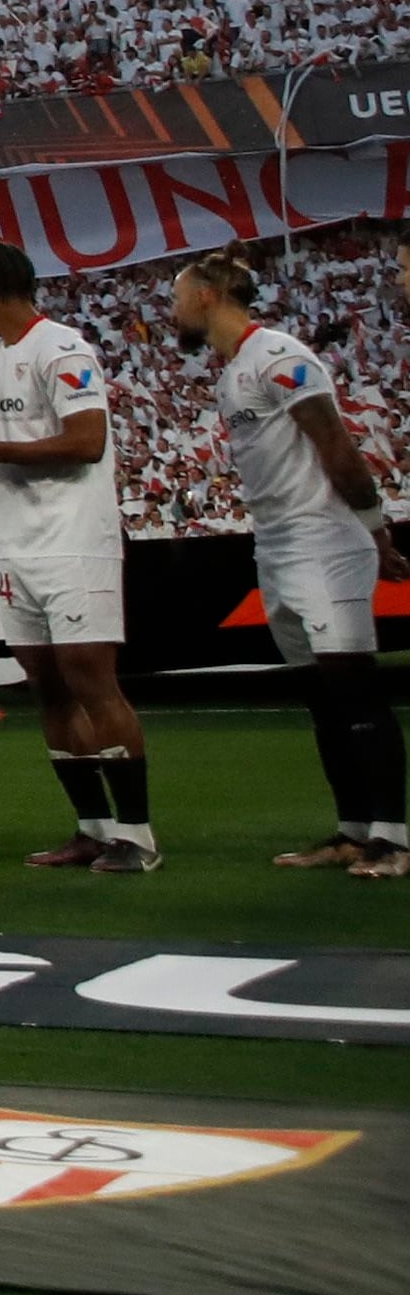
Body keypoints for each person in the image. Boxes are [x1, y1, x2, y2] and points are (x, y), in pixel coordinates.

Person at [170, 251, 406, 874]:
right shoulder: (232, 372)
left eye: (177, 295)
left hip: (325, 543)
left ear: (206, 296)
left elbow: (335, 443)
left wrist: (377, 532)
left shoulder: (279, 356)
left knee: (355, 692)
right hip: (274, 545)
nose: (171, 309)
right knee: (321, 700)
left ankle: (395, 838)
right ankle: (353, 830)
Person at [0, 241, 152, 871]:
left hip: (74, 539)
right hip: (19, 546)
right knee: (48, 688)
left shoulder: (62, 346)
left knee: (91, 680)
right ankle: (92, 827)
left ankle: (137, 836)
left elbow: (87, 441)